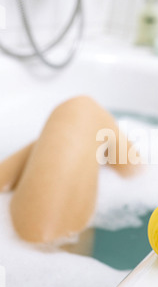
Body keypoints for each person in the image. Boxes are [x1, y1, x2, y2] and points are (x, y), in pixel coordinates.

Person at [0, 96, 137, 243]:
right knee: (82, 110)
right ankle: (136, 174)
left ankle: (134, 171)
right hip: (39, 241)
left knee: (77, 118)